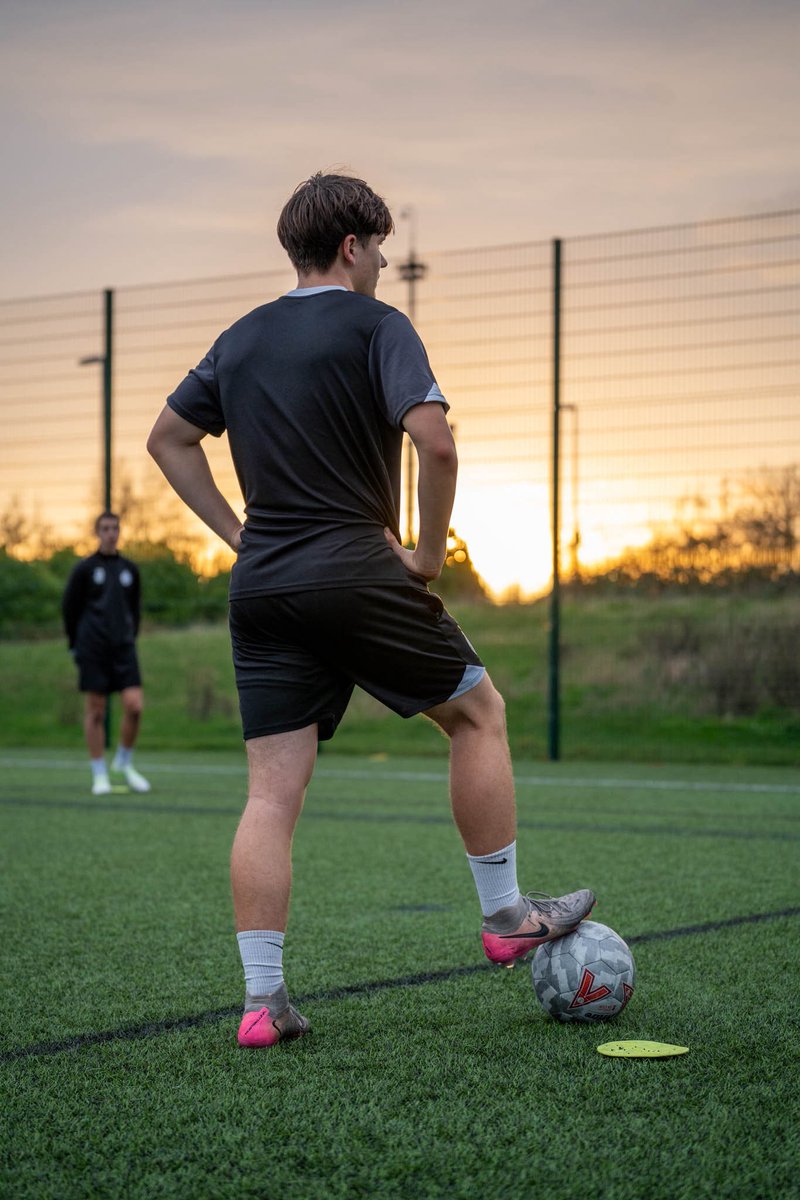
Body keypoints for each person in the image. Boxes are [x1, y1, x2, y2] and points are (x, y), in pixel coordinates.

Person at [147, 172, 594, 1049]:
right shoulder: (379, 325)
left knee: (271, 794)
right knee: (478, 714)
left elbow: (167, 437)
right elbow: (435, 439)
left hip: (265, 584)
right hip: (355, 564)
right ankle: (505, 914)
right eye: (379, 246)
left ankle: (261, 1004)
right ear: (352, 247)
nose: (385, 262)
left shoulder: (238, 338)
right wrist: (427, 556)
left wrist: (242, 535)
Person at [62, 511, 151, 796]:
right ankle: (99, 773)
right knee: (96, 710)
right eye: (105, 528)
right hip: (93, 648)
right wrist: (76, 643)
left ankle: (123, 763)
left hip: (124, 648)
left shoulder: (130, 569)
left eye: (115, 528)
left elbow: (134, 610)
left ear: (120, 532)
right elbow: (70, 608)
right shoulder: (85, 569)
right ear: (97, 533)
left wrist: (129, 636)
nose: (111, 533)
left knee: (135, 706)